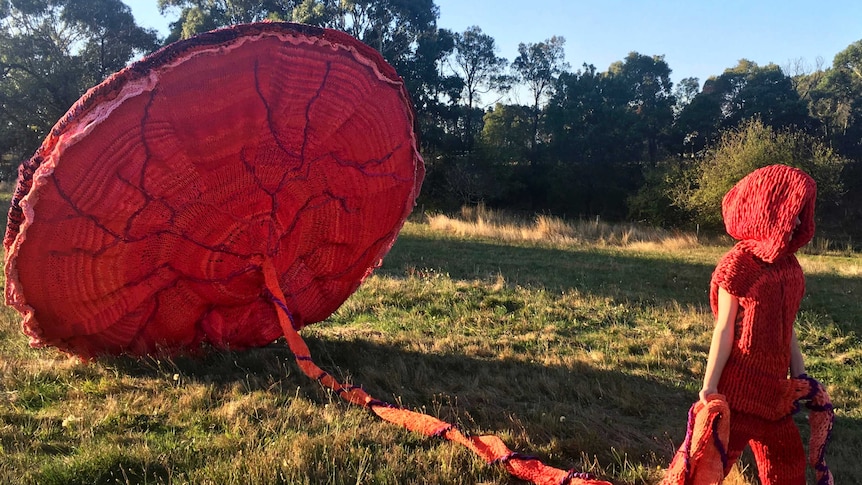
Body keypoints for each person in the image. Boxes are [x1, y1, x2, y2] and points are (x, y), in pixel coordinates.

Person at [699, 164, 817, 485]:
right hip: (737, 392)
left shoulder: (790, 268)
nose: (796, 221)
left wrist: (801, 374)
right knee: (709, 467)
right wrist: (710, 386)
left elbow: (787, 325)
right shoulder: (738, 266)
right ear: (768, 209)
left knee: (788, 466)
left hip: (775, 394)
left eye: (801, 213)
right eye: (791, 211)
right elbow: (724, 329)